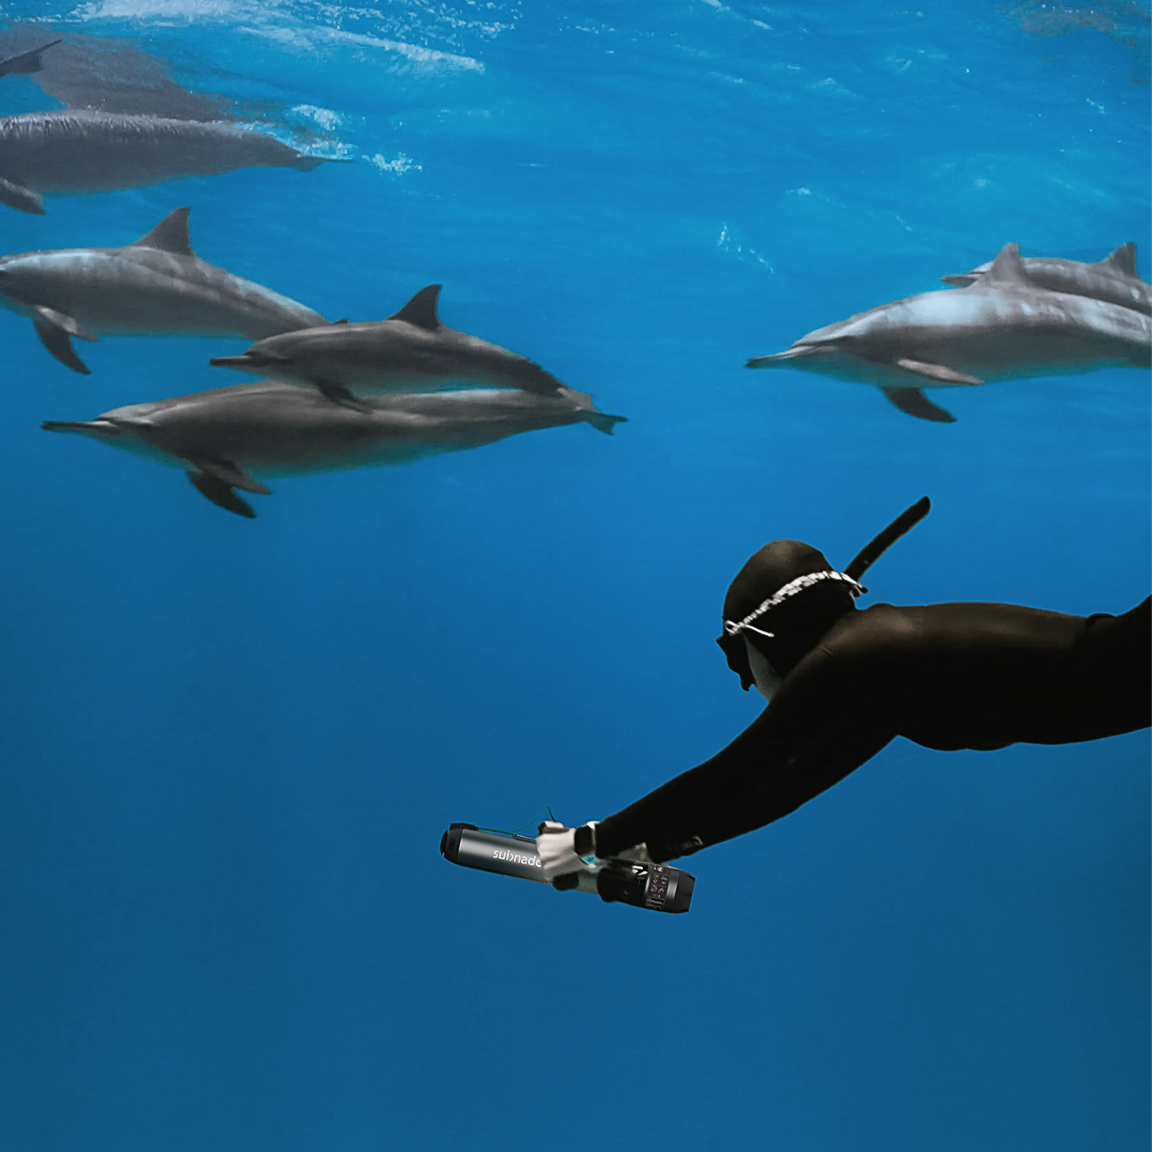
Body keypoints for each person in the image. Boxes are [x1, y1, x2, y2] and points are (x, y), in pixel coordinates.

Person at [537, 497, 1152, 889]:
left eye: (737, 657)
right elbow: (790, 785)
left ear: (767, 635)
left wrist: (590, 841)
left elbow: (732, 771)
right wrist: (664, 842)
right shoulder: (879, 675)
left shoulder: (856, 658)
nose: (745, 681)